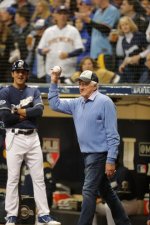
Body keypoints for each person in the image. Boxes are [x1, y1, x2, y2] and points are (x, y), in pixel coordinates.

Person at [48, 68, 132, 225]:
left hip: (100, 154)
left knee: (88, 191)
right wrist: (54, 81)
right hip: (88, 155)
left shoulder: (105, 102)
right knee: (106, 192)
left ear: (95, 86)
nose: (81, 87)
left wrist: (111, 159)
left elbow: (113, 134)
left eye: (85, 84)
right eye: (80, 83)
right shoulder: (76, 103)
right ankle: (124, 222)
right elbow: (54, 104)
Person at [0, 59, 61, 225]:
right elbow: (5, 117)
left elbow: (39, 110)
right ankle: (11, 216)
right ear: (13, 73)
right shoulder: (5, 92)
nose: (20, 74)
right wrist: (27, 114)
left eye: (23, 71)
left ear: (27, 74)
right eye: (17, 71)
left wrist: (19, 111)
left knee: (39, 177)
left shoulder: (33, 91)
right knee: (12, 178)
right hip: (14, 136)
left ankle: (43, 215)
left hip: (33, 137)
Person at [38, 5, 84, 83]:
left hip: (69, 72)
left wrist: (68, 55)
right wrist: (43, 51)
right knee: (52, 94)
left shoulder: (73, 30)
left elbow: (80, 49)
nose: (62, 16)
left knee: (69, 95)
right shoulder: (48, 31)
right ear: (55, 15)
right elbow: (39, 49)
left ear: (68, 16)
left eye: (64, 14)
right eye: (60, 13)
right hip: (51, 72)